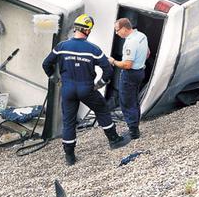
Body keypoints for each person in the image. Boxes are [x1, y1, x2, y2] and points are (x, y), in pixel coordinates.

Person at [42, 14, 128, 166]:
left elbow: (46, 64)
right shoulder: (93, 49)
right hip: (86, 88)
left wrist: (55, 79)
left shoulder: (62, 47)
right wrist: (100, 83)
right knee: (101, 110)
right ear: (88, 31)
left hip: (67, 88)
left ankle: (70, 156)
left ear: (75, 28)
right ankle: (114, 140)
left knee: (68, 121)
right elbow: (107, 69)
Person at [108, 18, 148, 140]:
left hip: (130, 74)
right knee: (134, 100)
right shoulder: (142, 36)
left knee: (126, 102)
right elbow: (148, 53)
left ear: (125, 29)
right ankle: (135, 125)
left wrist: (113, 61)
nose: (117, 33)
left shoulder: (131, 42)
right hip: (140, 71)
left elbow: (127, 65)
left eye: (117, 30)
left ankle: (133, 131)